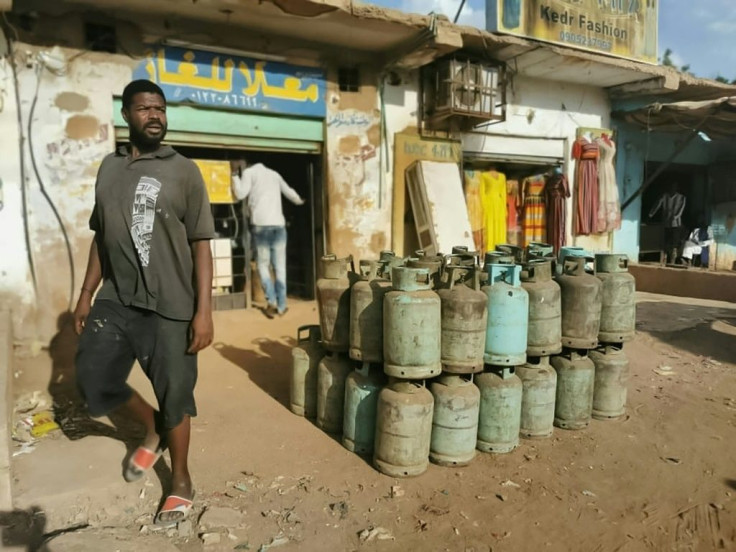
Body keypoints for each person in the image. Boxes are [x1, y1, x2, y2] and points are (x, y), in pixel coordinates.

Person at [72, 79, 214, 526]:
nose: (155, 116)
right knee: (94, 377)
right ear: (126, 114)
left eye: (161, 109)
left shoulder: (183, 171)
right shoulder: (108, 168)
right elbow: (102, 233)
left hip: (170, 302)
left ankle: (182, 480)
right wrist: (85, 292)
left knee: (175, 394)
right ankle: (153, 426)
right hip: (117, 297)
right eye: (144, 109)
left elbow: (201, 244)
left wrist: (204, 311)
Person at [231, 159, 304, 318]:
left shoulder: (249, 173)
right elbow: (289, 192)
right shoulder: (274, 174)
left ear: (248, 164)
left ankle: (271, 300)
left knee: (263, 265)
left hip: (261, 226)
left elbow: (241, 193)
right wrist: (300, 201)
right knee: (280, 267)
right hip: (278, 225)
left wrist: (235, 176)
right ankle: (282, 305)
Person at [649, 182, 686, 264]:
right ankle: (665, 259)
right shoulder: (664, 196)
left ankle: (673, 260)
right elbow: (657, 204)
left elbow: (681, 210)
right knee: (666, 242)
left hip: (676, 224)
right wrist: (651, 213)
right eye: (671, 187)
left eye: (674, 187)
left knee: (674, 243)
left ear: (677, 188)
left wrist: (675, 216)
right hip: (666, 223)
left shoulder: (681, 197)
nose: (672, 188)